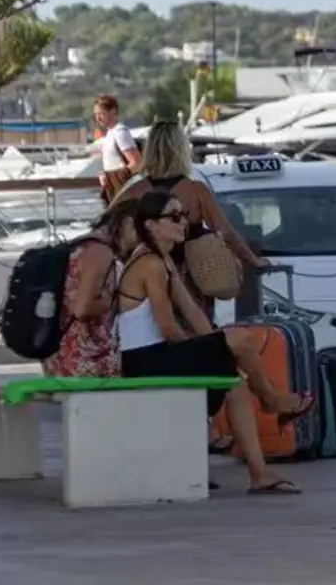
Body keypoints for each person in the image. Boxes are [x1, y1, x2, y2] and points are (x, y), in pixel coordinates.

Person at [117, 190, 315, 494]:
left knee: (235, 382)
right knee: (241, 339)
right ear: (151, 225)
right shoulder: (149, 264)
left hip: (156, 354)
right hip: (144, 360)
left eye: (184, 214)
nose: (183, 222)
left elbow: (192, 312)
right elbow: (168, 327)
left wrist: (215, 346)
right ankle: (272, 401)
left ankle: (259, 473)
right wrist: (211, 348)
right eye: (174, 216)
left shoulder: (162, 259)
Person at [117, 121, 267, 314]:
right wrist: (253, 260)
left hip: (146, 279)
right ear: (181, 150)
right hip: (192, 280)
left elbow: (109, 228)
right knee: (195, 325)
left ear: (149, 151)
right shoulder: (196, 191)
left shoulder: (134, 191)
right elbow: (226, 232)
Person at [42, 198, 141, 378]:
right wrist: (115, 301)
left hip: (65, 351)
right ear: (128, 222)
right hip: (83, 356)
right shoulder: (100, 251)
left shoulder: (84, 244)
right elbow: (82, 308)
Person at [94, 94, 141, 205]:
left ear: (113, 112)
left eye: (101, 114)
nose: (98, 118)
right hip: (116, 192)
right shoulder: (110, 134)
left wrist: (110, 177)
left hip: (125, 193)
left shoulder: (120, 133)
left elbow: (137, 162)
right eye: (96, 114)